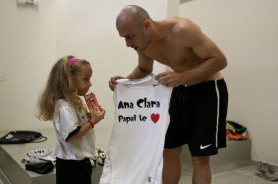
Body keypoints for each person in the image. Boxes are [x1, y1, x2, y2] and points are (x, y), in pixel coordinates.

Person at [109, 5, 228, 184]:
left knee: (199, 158)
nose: (128, 43)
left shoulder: (183, 30)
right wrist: (125, 81)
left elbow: (220, 60)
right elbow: (143, 69)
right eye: (124, 38)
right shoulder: (143, 44)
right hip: (179, 90)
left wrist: (183, 76)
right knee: (168, 150)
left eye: (129, 36)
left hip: (208, 90)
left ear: (146, 25)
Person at [37, 55, 105, 184]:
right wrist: (93, 121)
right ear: (70, 80)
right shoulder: (65, 107)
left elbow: (79, 125)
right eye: (86, 79)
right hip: (71, 166)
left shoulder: (74, 102)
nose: (90, 84)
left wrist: (91, 116)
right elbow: (72, 136)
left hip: (79, 163)